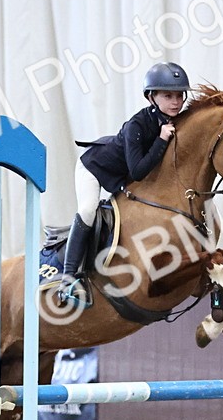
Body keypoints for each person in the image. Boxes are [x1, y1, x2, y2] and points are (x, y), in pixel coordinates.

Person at [58, 62, 191, 303]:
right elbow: (138, 170)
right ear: (151, 97)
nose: (176, 101)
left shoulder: (175, 121)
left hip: (123, 176)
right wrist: (161, 140)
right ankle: (68, 279)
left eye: (180, 96)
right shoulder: (137, 125)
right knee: (88, 210)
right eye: (168, 95)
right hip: (95, 167)